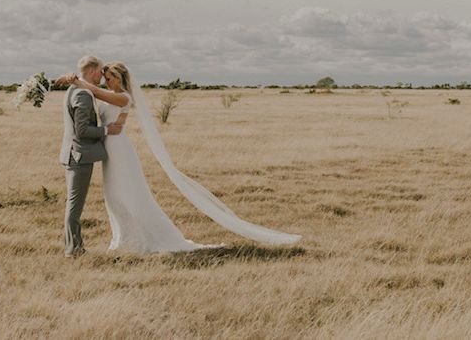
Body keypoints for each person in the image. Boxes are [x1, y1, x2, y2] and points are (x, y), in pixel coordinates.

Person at [59, 61, 301, 254]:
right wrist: (78, 81)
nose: (107, 79)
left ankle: (142, 239)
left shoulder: (123, 97)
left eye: (111, 76)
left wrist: (76, 80)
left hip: (119, 148)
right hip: (108, 149)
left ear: (121, 79)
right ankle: (123, 238)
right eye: (106, 76)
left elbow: (94, 91)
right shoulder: (104, 91)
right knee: (113, 198)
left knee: (129, 195)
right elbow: (94, 91)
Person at [59, 55, 122, 258]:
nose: (102, 76)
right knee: (75, 205)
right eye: (101, 71)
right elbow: (82, 130)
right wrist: (106, 130)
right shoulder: (83, 95)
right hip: (80, 156)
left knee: (72, 202)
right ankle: (73, 249)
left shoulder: (73, 89)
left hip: (71, 154)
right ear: (94, 71)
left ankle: (74, 247)